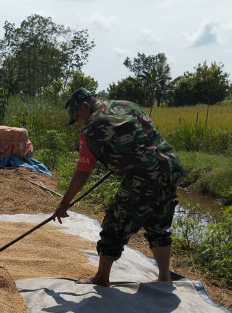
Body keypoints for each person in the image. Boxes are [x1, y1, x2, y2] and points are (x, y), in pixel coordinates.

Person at [52, 87, 184, 286]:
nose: (78, 122)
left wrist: (64, 204)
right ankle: (164, 277)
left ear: (85, 106)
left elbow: (83, 171)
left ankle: (101, 277)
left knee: (115, 224)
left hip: (143, 177)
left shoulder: (90, 130)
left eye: (76, 116)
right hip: (170, 167)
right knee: (158, 224)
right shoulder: (126, 105)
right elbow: (143, 137)